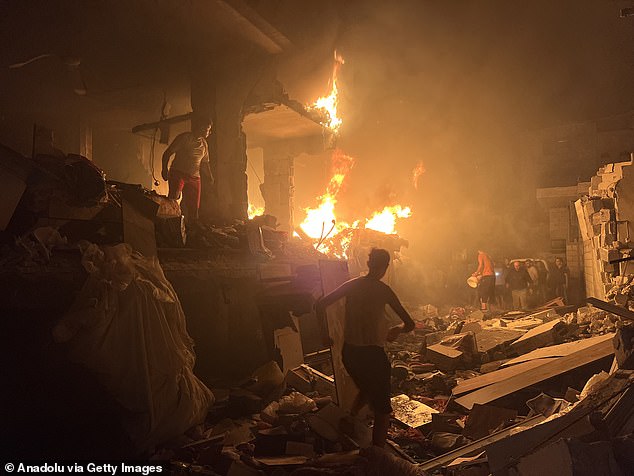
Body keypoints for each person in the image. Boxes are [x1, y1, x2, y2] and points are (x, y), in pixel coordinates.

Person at [315, 248, 415, 448]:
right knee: (383, 409)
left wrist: (324, 335)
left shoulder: (352, 285)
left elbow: (320, 305)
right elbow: (409, 324)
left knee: (367, 389)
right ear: (386, 267)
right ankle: (377, 455)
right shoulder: (384, 290)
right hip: (373, 355)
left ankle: (350, 420)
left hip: (350, 353)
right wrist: (397, 329)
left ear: (368, 264)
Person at [161, 117, 213, 225]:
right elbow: (167, 154)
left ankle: (192, 231)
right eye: (208, 129)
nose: (209, 132)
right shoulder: (185, 138)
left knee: (194, 208)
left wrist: (210, 177)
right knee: (173, 201)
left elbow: (205, 163)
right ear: (201, 128)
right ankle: (171, 225)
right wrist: (164, 169)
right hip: (178, 173)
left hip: (195, 178)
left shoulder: (204, 144)